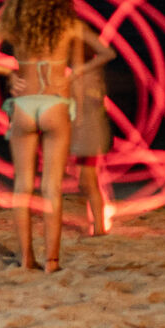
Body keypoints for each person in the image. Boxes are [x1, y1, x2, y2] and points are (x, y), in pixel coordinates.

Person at [0, 0, 113, 271]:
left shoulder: (11, 24)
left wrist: (6, 70)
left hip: (25, 105)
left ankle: (26, 259)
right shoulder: (69, 24)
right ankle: (52, 262)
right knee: (51, 189)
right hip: (56, 104)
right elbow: (106, 52)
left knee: (21, 187)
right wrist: (74, 72)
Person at [69, 58, 114, 236]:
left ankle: (99, 228)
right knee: (86, 182)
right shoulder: (93, 77)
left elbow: (77, 109)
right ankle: (96, 224)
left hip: (86, 137)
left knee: (89, 183)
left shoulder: (83, 77)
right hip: (88, 136)